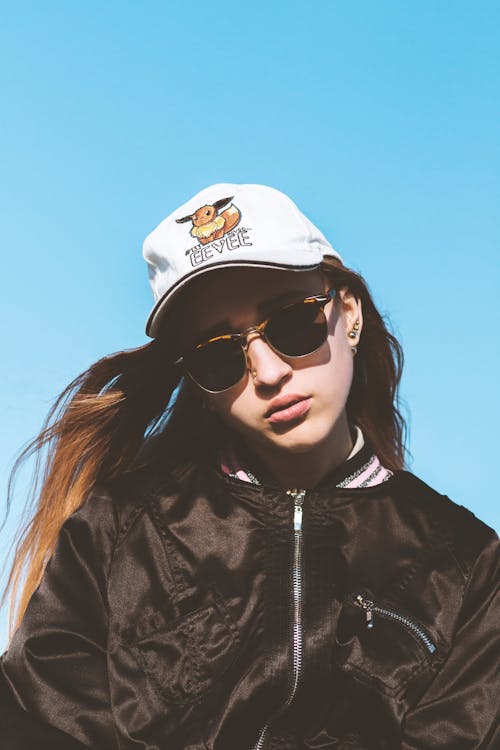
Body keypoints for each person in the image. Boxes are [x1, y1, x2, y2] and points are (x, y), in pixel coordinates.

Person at [0, 183, 498, 750]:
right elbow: (39, 723)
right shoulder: (113, 531)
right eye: (219, 353)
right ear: (201, 386)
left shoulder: (470, 566)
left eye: (292, 323)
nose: (266, 373)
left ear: (349, 314)